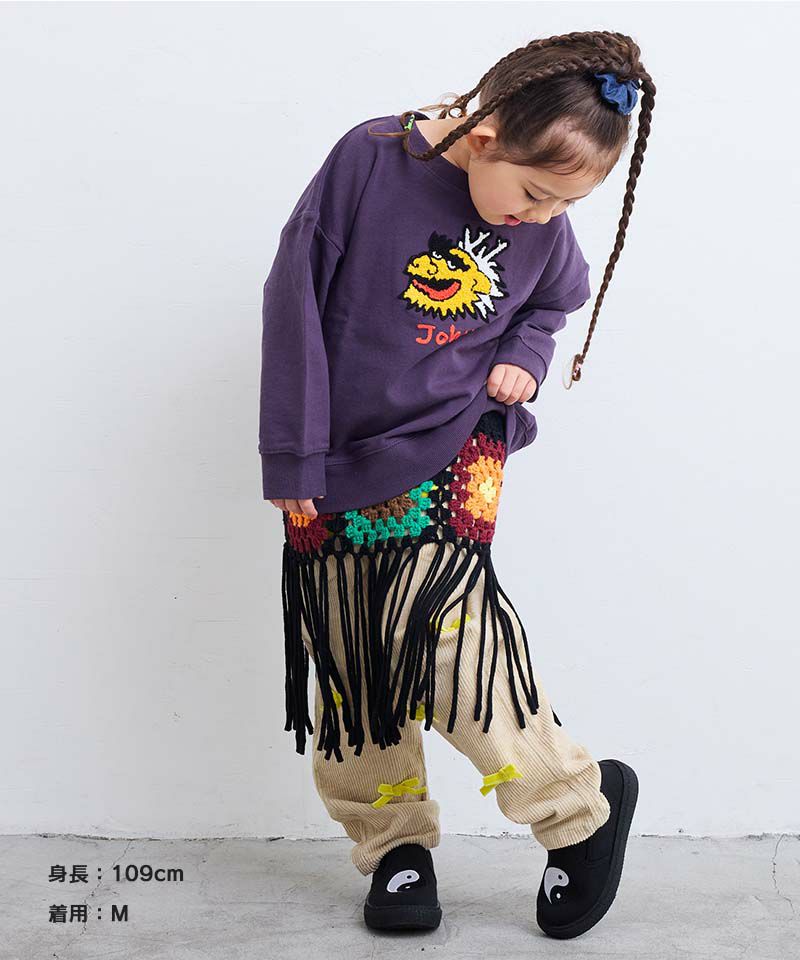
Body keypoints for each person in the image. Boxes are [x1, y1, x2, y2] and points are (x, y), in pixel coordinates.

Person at [258, 30, 654, 941]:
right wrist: (292, 454)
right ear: (483, 138)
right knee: (354, 648)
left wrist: (525, 354)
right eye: (536, 195)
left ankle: (574, 809)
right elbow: (293, 299)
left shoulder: (542, 223)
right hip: (335, 451)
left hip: (458, 439)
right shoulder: (370, 161)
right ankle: (393, 845)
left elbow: (554, 298)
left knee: (446, 629)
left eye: (567, 204)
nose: (543, 219)